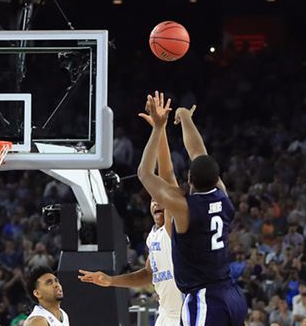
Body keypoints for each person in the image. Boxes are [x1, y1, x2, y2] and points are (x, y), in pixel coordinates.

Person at [137, 91, 247, 326]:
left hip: (205, 299)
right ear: (217, 178)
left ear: (190, 178)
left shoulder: (185, 208)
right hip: (232, 295)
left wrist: (158, 128)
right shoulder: (223, 196)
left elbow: (145, 174)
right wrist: (186, 117)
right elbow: (199, 152)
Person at [78, 107, 183, 325]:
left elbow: (168, 179)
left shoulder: (175, 229)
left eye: (162, 199)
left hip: (186, 314)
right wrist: (111, 280)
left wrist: (160, 130)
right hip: (165, 315)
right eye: (153, 200)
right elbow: (148, 274)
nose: (157, 203)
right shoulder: (153, 236)